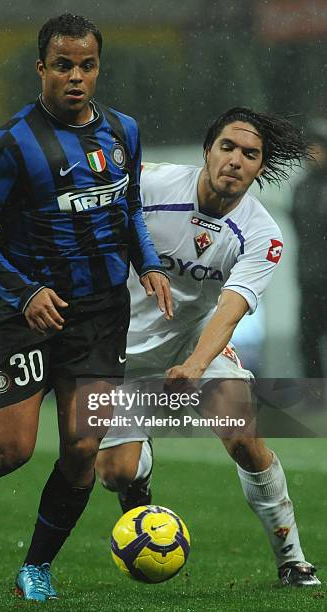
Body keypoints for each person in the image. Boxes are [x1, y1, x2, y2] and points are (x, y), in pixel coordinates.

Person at [0, 14, 171, 603]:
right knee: (11, 450)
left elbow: (130, 208)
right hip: (23, 315)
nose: (76, 76)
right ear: (42, 69)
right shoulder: (9, 144)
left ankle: (35, 567)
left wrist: (149, 264)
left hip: (99, 314)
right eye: (63, 65)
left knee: (83, 446)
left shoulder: (124, 131)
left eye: (87, 65)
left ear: (97, 68)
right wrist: (27, 292)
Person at [95, 108, 320, 587]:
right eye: (227, 147)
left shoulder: (263, 234)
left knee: (243, 435)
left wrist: (195, 366)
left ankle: (292, 558)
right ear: (207, 150)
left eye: (250, 154)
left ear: (261, 167)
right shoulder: (151, 186)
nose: (236, 160)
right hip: (122, 355)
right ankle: (141, 469)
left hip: (197, 347)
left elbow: (230, 309)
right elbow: (72, 203)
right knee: (115, 473)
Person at [291, 118, 327, 386]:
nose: (311, 154)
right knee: (308, 337)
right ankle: (315, 393)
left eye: (317, 148)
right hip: (309, 278)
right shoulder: (301, 188)